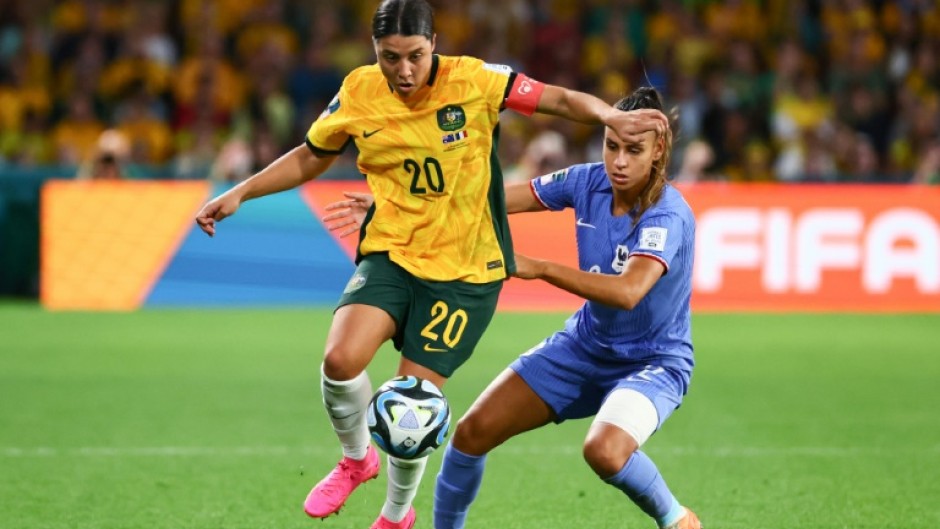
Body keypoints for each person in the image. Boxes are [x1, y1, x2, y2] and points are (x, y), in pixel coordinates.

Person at [194, 1, 668, 527]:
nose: (403, 70)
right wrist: (241, 192)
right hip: (394, 251)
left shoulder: (477, 80)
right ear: (375, 53)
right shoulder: (358, 90)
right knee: (339, 361)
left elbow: (554, 97)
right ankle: (357, 460)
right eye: (389, 57)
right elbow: (312, 153)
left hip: (466, 273)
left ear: (434, 44)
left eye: (415, 56)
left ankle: (398, 514)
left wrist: (607, 114)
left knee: (413, 405)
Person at [324, 86, 700, 529]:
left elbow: (629, 291)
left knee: (604, 450)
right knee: (470, 434)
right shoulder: (587, 181)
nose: (618, 161)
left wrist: (538, 267)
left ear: (658, 152)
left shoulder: (666, 214)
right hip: (585, 346)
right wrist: (398, 206)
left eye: (633, 150)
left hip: (653, 362)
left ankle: (676, 518)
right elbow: (491, 200)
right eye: (611, 145)